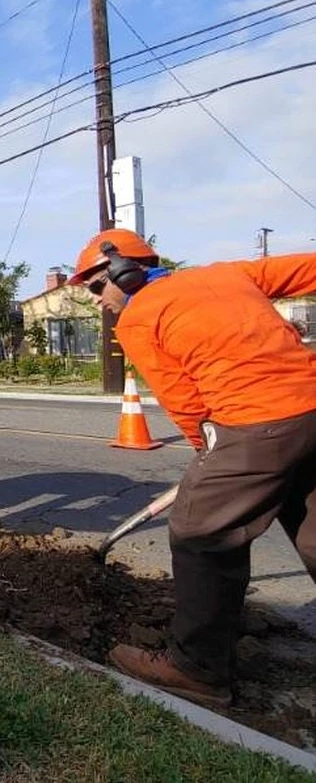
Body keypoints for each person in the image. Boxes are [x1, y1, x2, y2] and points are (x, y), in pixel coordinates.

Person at [69, 228, 316, 708]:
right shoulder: (228, 274)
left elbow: (185, 401)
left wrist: (208, 453)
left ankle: (197, 670)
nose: (97, 300)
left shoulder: (139, 316)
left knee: (199, 529)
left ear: (125, 270)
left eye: (98, 286)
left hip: (256, 423)